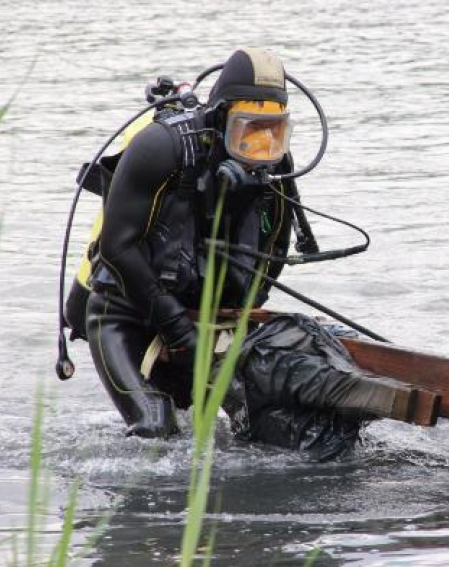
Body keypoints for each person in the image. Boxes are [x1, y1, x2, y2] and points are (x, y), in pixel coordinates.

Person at [80, 48, 305, 439]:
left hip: (208, 319)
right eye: (249, 129)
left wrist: (238, 319)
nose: (262, 147)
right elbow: (118, 248)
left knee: (264, 428)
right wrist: (174, 328)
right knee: (157, 428)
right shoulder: (161, 147)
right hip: (124, 313)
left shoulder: (275, 164)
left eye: (273, 130)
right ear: (221, 118)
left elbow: (273, 254)